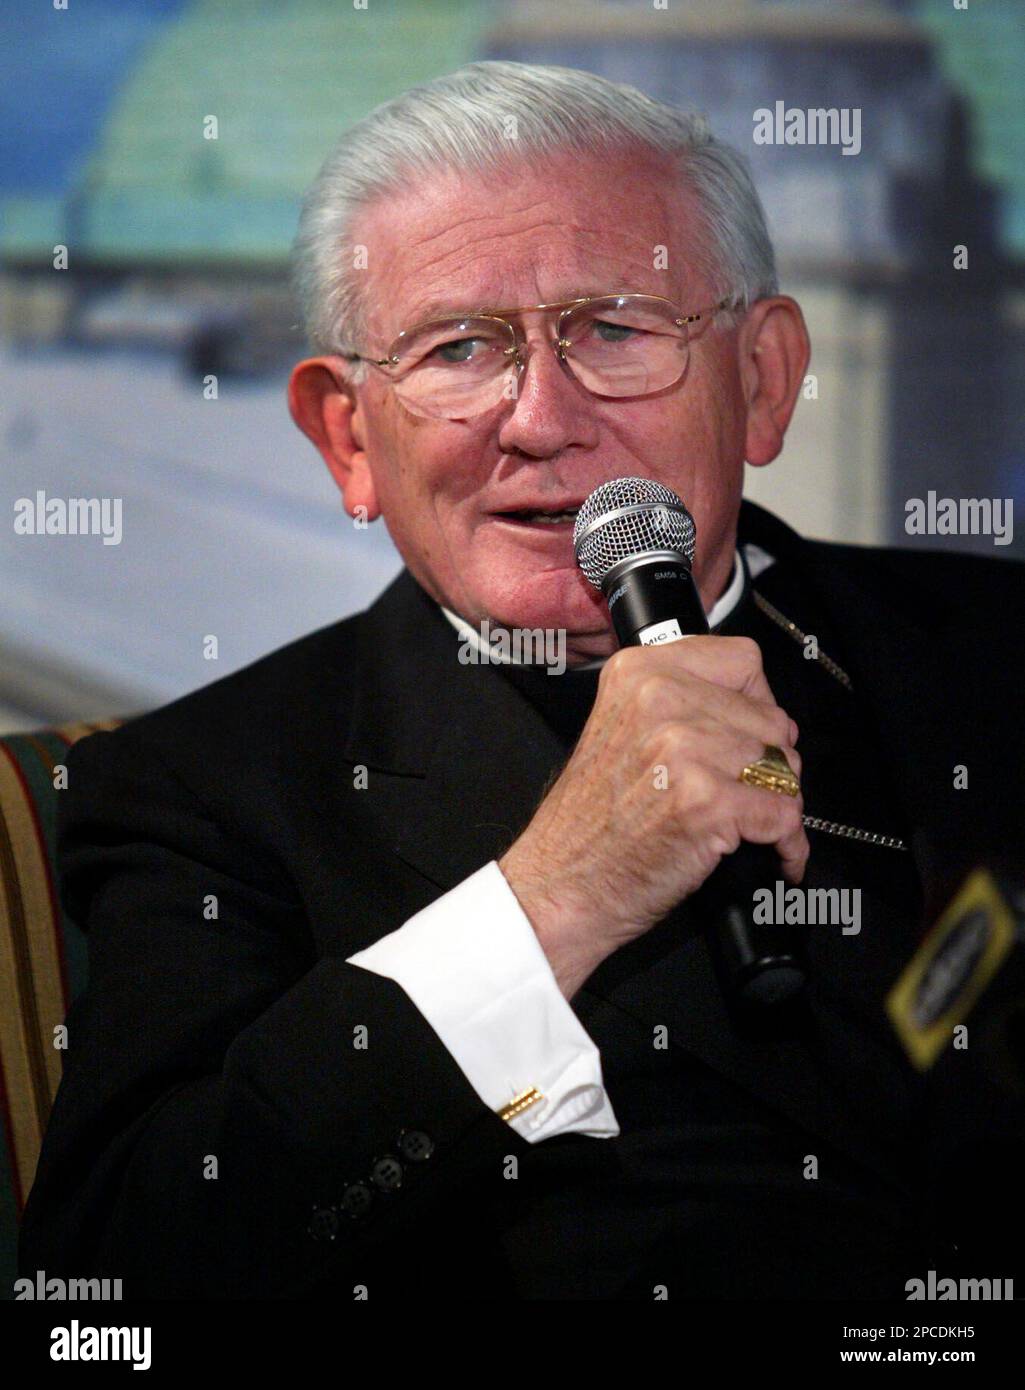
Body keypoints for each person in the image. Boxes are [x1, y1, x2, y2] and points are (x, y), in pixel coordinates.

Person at [19, 61, 1025, 1300]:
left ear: (760, 380)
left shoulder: (995, 652)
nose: (539, 417)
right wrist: (556, 895)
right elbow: (109, 1299)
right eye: (455, 348)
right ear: (347, 437)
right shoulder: (205, 795)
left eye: (613, 329)